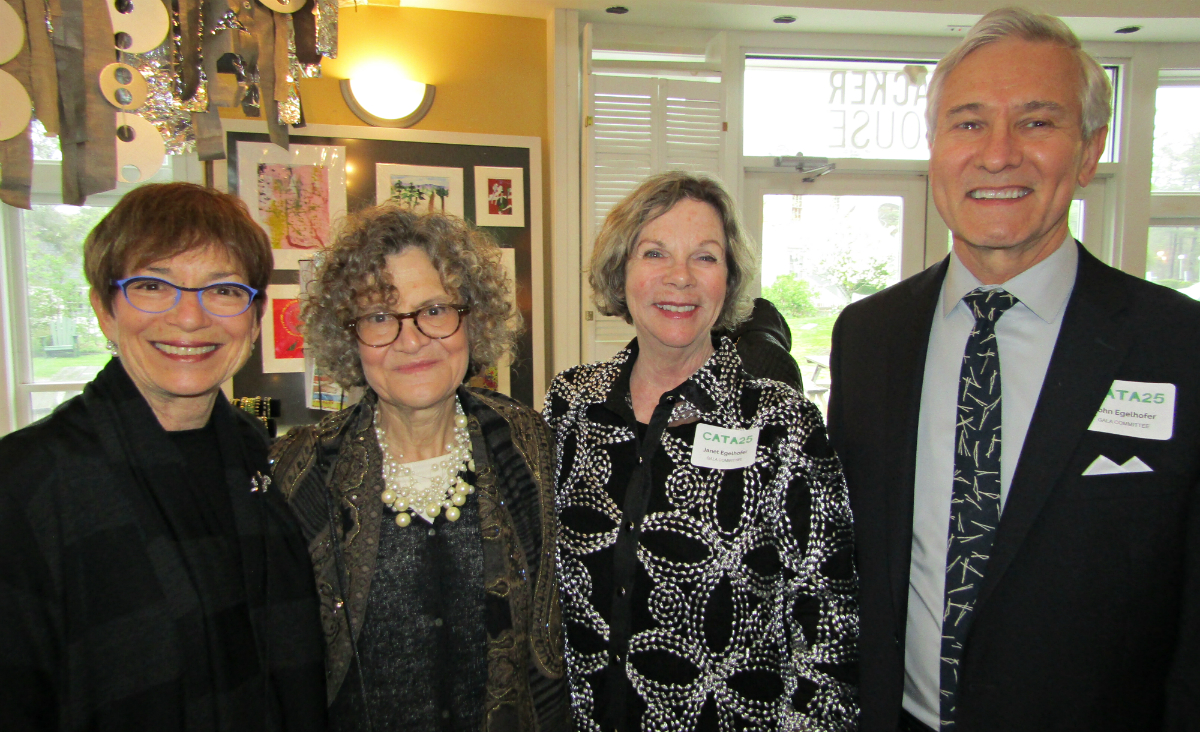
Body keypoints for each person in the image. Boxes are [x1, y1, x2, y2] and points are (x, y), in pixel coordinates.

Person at [827, 8, 1200, 732]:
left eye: (1036, 123)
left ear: (1089, 152)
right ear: (934, 148)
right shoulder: (869, 338)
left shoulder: (1179, 347)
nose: (998, 155)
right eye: (968, 123)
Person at [0, 182, 327, 731]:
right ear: (105, 310)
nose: (190, 319)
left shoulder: (264, 461)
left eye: (222, 290)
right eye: (153, 285)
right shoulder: (26, 484)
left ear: (252, 317)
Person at [545, 171, 858, 731]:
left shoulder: (780, 423)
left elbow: (828, 622)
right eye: (655, 252)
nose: (680, 277)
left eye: (705, 258)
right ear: (622, 271)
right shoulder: (571, 405)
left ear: (730, 280)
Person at [271, 206, 567, 731]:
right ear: (351, 337)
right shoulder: (303, 471)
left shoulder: (530, 446)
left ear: (472, 320)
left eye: (434, 310)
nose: (411, 341)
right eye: (380, 317)